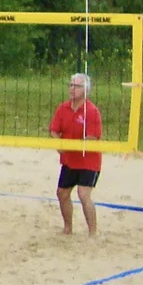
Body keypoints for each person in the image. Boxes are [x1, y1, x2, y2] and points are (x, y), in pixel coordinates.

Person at [49, 72, 103, 236]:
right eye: (71, 85)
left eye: (76, 86)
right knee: (62, 193)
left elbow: (92, 137)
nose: (72, 89)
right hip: (69, 160)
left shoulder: (92, 111)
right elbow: (53, 130)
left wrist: (71, 145)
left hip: (88, 161)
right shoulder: (63, 108)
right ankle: (68, 228)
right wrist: (58, 143)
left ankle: (93, 232)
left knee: (83, 194)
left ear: (86, 90)